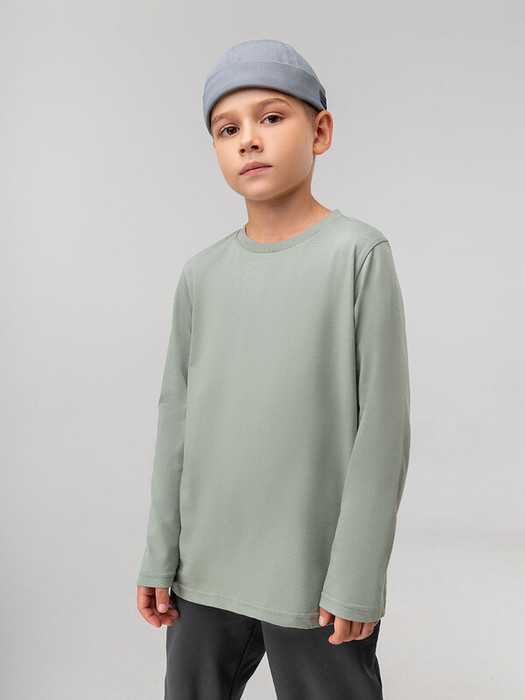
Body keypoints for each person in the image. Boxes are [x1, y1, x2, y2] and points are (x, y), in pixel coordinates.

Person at [136, 38, 411, 699]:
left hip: (311, 574)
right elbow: (175, 422)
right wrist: (160, 551)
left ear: (320, 131)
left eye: (271, 117)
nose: (249, 140)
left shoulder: (356, 254)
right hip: (204, 567)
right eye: (227, 129)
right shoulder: (201, 275)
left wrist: (356, 574)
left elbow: (382, 429)